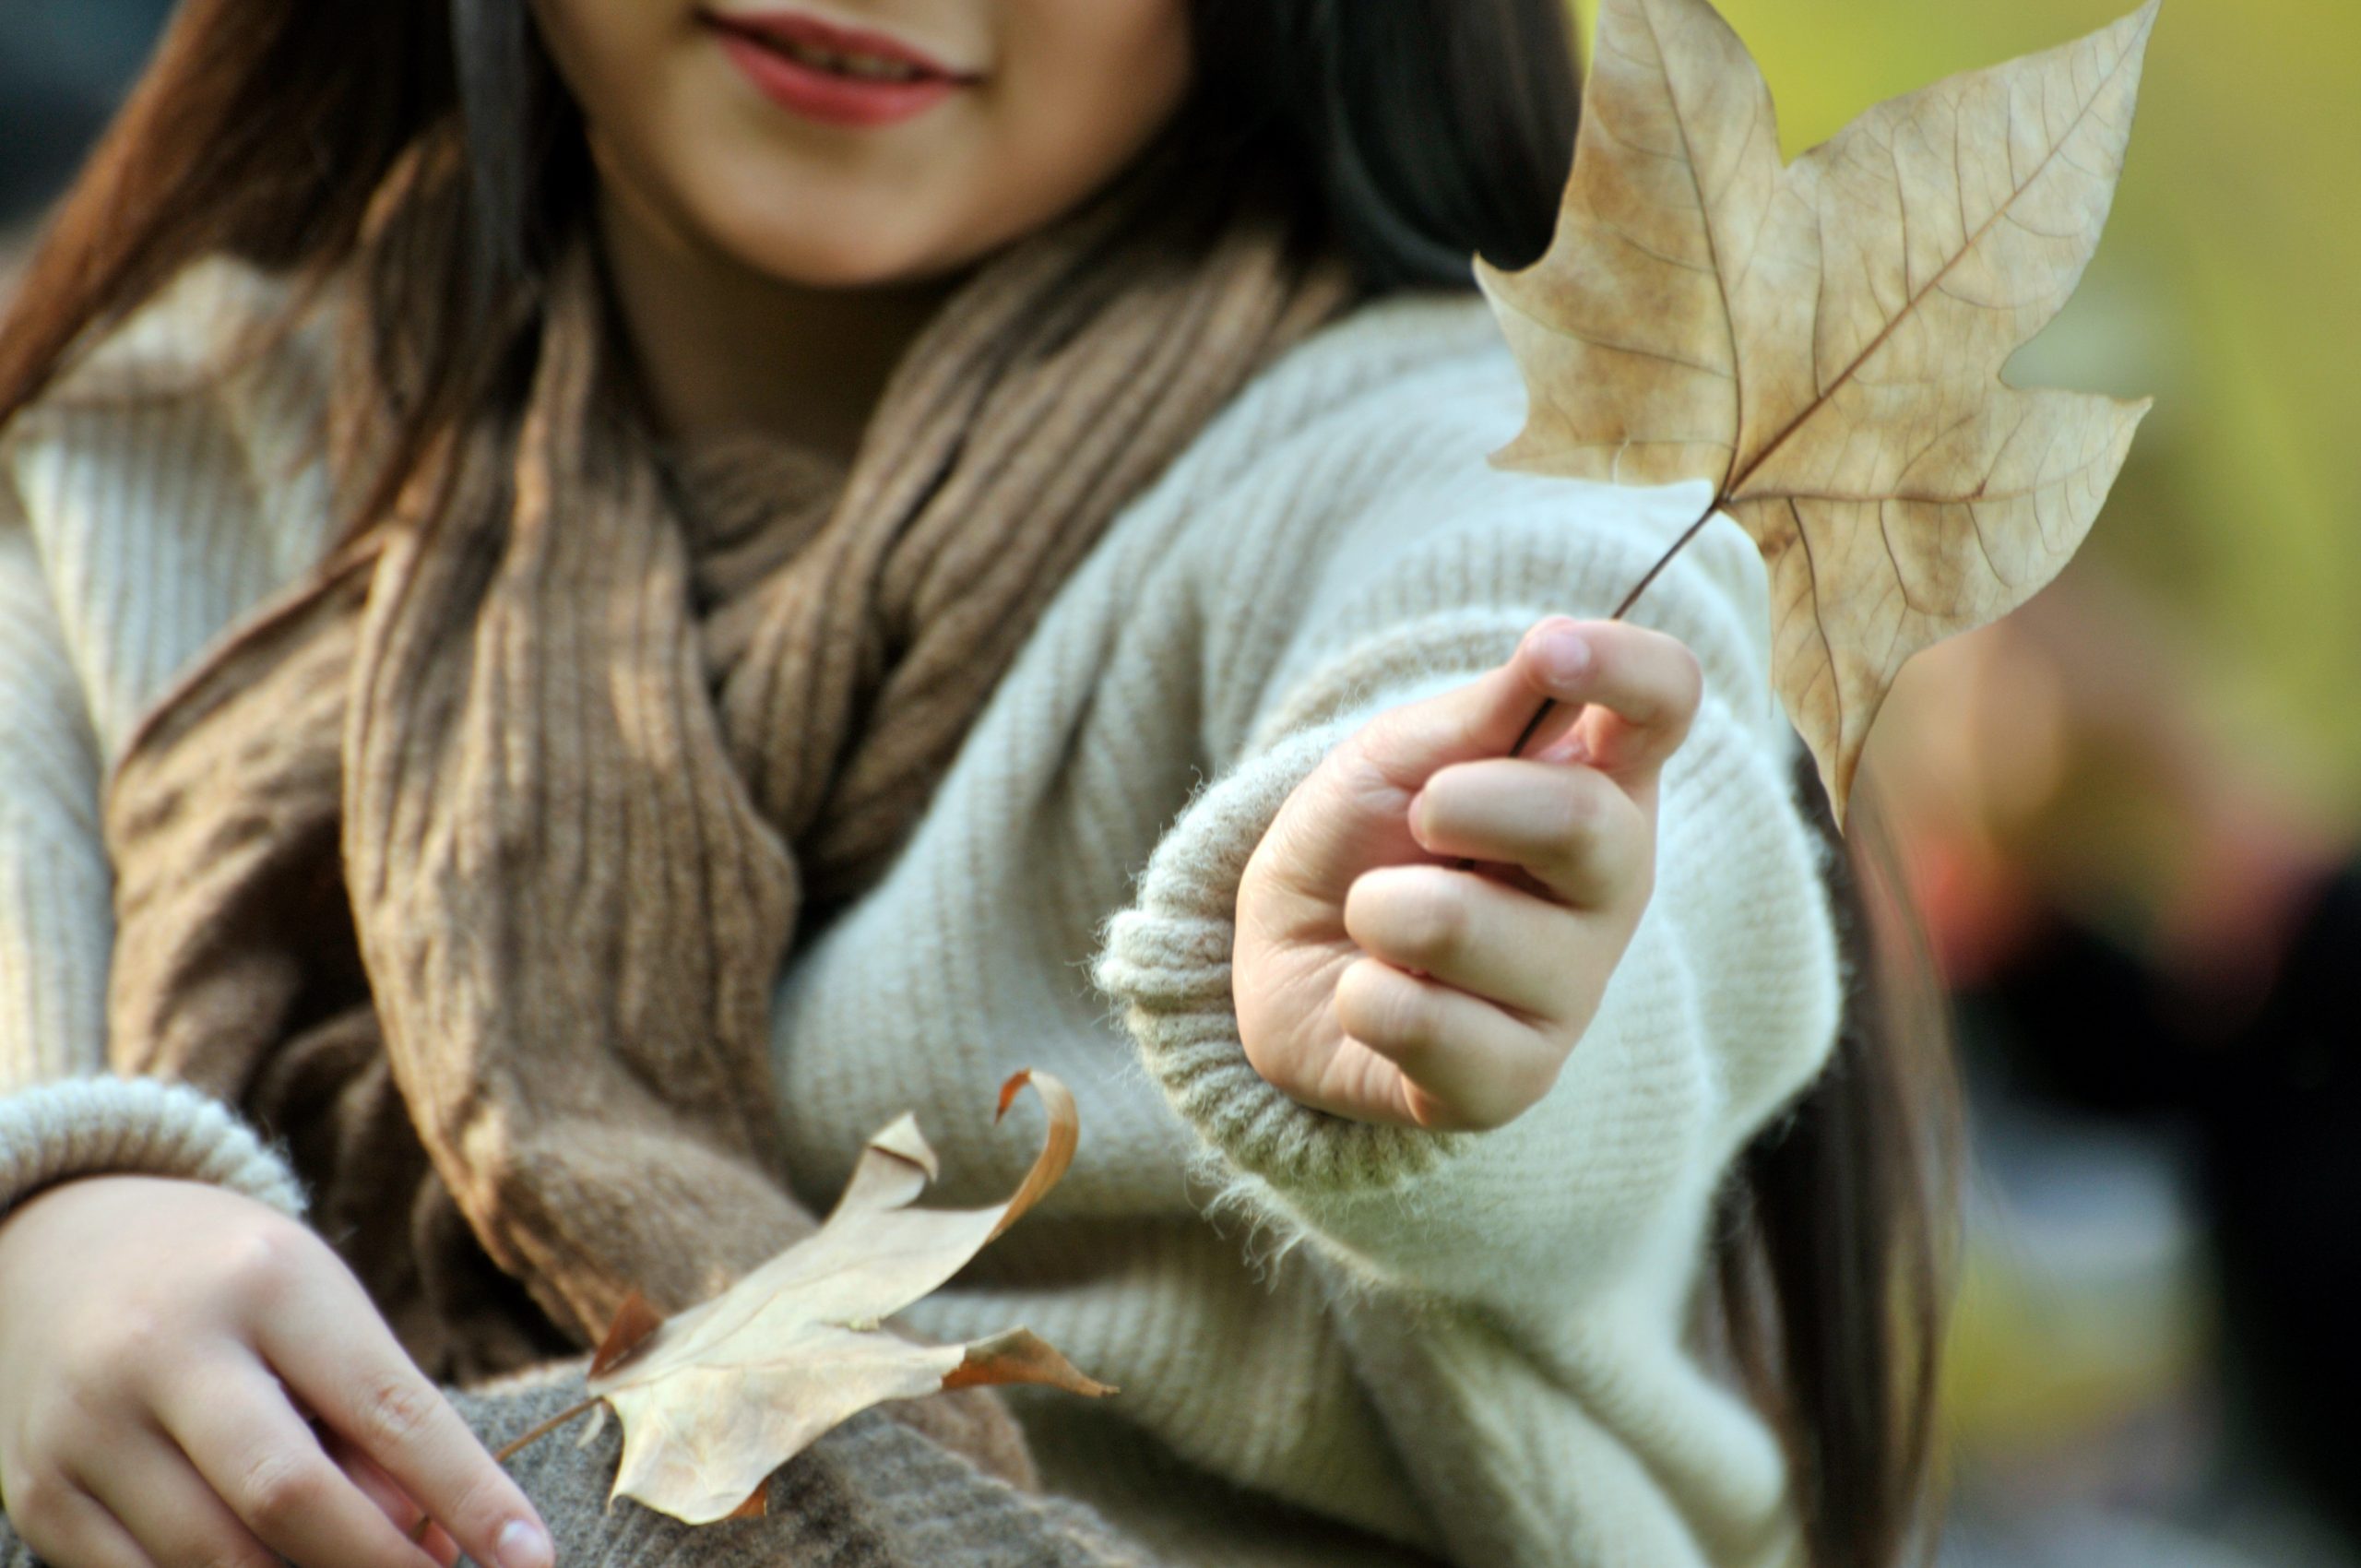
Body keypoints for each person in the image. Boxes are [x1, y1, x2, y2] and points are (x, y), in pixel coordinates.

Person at [0, 3, 1952, 1566]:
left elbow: (1615, 808)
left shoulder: (1443, 453)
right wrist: (51, 1224)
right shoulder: (142, 453)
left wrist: (1470, 974)